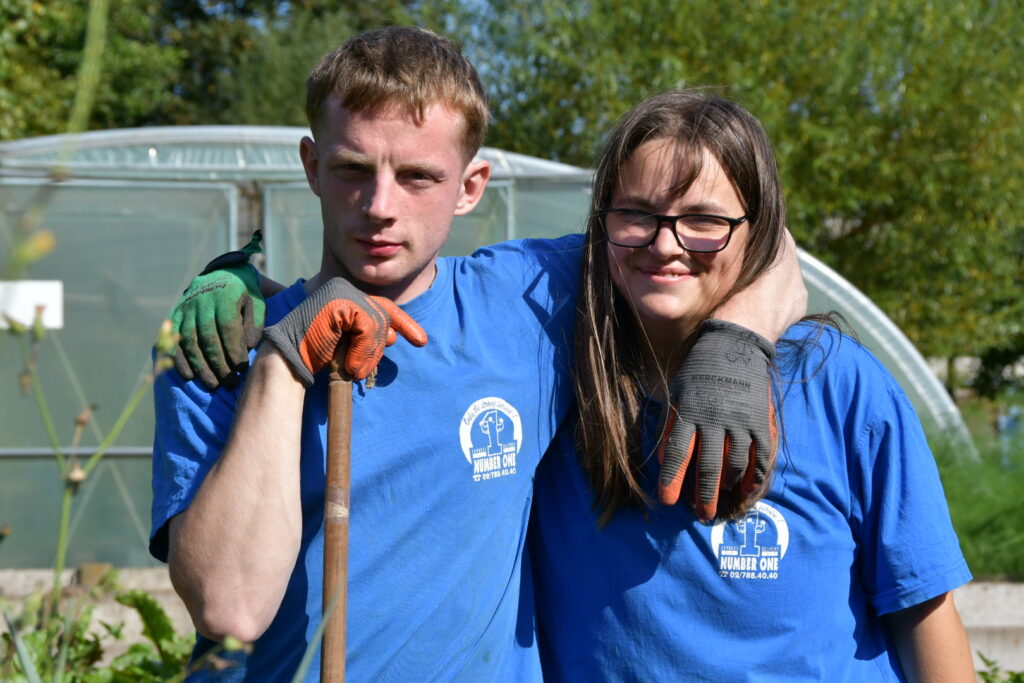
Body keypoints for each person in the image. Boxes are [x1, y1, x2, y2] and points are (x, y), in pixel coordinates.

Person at [153, 29, 805, 681]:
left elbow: (745, 238)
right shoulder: (220, 344)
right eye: (353, 169)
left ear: (471, 185)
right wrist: (281, 360)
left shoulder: (531, 300)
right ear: (312, 165)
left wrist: (736, 342)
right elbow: (227, 606)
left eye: (417, 176)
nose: (380, 207)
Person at [527, 89, 975, 681]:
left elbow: (925, 614)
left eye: (704, 220)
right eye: (636, 214)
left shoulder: (838, 383)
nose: (666, 243)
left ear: (757, 230)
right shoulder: (552, 368)